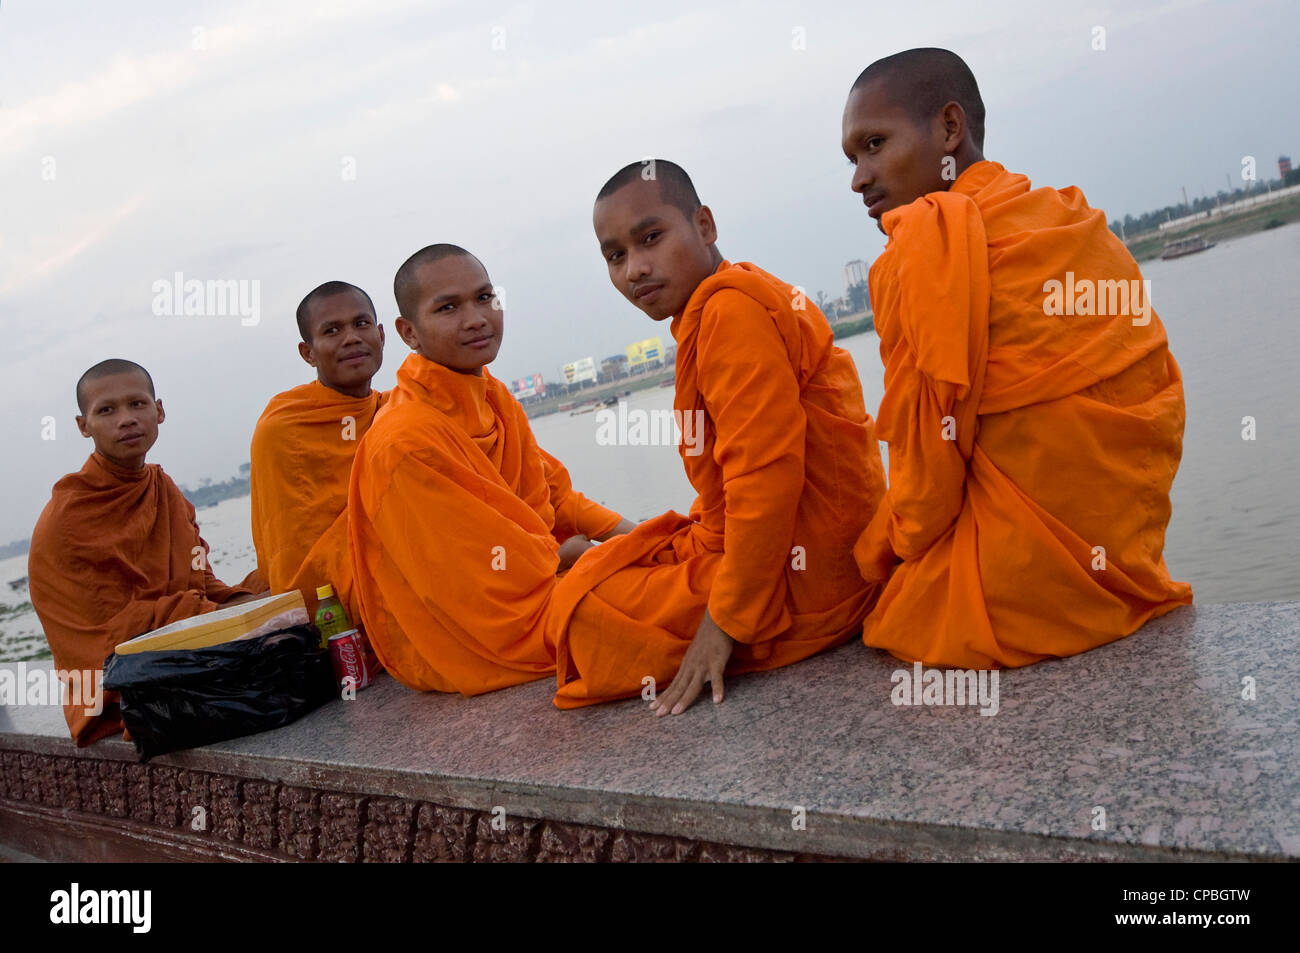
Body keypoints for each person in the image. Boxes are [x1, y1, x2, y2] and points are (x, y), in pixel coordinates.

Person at [840, 47, 1192, 669]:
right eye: (853, 158)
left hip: (1018, 596)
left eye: (874, 144)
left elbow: (927, 493)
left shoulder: (913, 258)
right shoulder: (1074, 222)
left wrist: (879, 547)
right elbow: (1155, 398)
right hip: (1126, 565)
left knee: (886, 608)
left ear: (951, 128)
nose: (859, 178)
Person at [546, 159, 886, 715]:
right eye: (616, 256)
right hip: (811, 556)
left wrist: (723, 622)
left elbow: (766, 481)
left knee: (583, 607)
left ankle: (751, 616)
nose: (636, 269)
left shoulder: (730, 311)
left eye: (650, 238)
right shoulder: (726, 301)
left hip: (810, 582)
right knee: (602, 571)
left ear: (704, 225)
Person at [347, 244, 636, 694]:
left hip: (544, 581)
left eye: (485, 298)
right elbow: (475, 588)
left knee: (676, 561)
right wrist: (573, 558)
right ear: (409, 332)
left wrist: (638, 539)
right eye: (448, 307)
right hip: (478, 638)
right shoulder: (404, 441)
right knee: (674, 606)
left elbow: (557, 498)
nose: (477, 318)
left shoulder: (491, 397)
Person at [29, 359, 266, 745]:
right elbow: (116, 633)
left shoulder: (162, 487)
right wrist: (228, 616)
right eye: (106, 410)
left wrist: (257, 600)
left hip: (185, 649)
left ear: (159, 411)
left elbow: (202, 581)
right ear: (83, 426)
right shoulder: (70, 517)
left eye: (137, 404)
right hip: (119, 688)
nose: (126, 419)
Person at [250, 281, 386, 619]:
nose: (351, 338)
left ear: (381, 335)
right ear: (308, 353)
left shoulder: (395, 410)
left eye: (361, 324)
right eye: (332, 330)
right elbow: (294, 558)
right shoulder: (284, 428)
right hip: (332, 605)